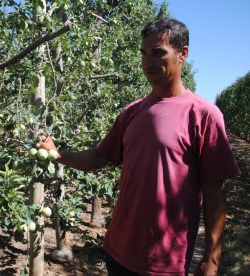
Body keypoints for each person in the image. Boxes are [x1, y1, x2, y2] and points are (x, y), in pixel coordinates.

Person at [36, 18, 240, 276]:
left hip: (163, 262)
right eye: (144, 53)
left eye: (158, 53)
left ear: (183, 54)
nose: (148, 62)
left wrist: (212, 258)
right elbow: (98, 157)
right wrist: (58, 154)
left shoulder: (204, 115)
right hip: (117, 251)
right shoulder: (132, 112)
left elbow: (214, 194)